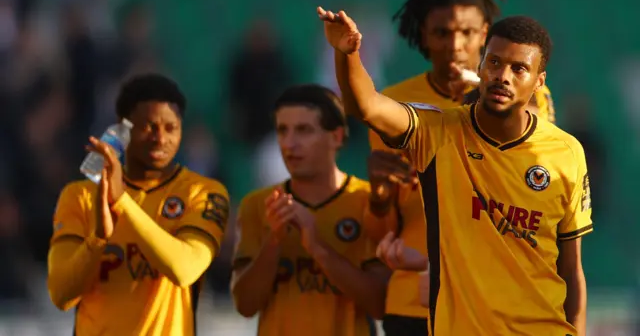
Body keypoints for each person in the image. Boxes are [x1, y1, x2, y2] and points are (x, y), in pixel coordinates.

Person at [318, 6, 592, 336]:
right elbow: (367, 105)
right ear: (480, 65)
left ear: (538, 81)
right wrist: (347, 54)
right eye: (494, 62)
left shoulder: (567, 152)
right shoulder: (438, 133)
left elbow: (571, 266)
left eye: (519, 69)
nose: (502, 76)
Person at [47, 74, 230, 335]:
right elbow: (61, 294)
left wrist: (123, 202)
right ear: (122, 130)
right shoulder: (81, 196)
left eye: (171, 128)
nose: (160, 138)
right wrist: (98, 239)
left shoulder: (202, 192)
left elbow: (185, 269)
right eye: (148, 126)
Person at [230, 85, 393, 336]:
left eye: (303, 131)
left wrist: (318, 247)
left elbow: (379, 304)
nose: (289, 143)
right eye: (282, 131)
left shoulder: (367, 202)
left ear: (336, 137)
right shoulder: (257, 205)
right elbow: (245, 305)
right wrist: (273, 241)